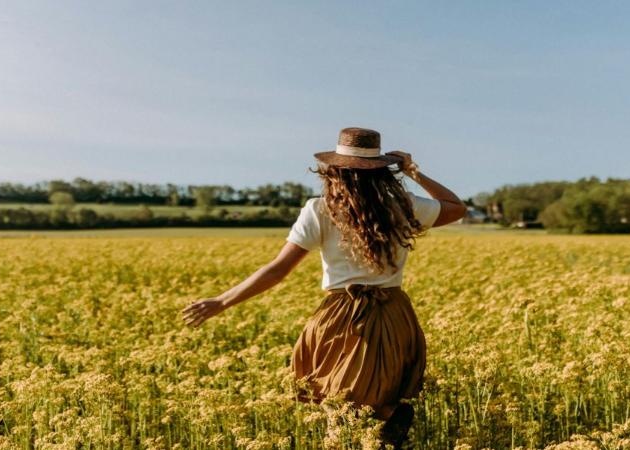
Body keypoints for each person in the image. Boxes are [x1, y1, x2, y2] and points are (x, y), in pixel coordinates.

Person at [182, 127, 467, 448]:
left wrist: (221, 301)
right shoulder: (403, 204)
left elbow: (277, 270)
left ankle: (384, 427)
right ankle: (388, 424)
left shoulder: (320, 209)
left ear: (334, 170)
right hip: (392, 315)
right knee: (376, 398)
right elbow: (455, 207)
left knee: (339, 409)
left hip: (340, 319)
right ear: (383, 170)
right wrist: (414, 172)